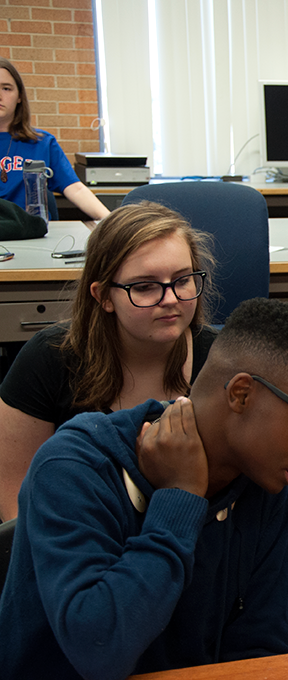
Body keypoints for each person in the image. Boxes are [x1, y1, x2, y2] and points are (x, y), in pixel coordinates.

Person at [0, 297, 288, 678]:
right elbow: (100, 652)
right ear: (241, 394)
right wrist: (181, 498)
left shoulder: (264, 485)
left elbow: (256, 651)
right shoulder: (75, 466)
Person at [0, 201, 218, 521]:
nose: (171, 299)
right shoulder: (48, 360)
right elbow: (16, 498)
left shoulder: (218, 361)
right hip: (71, 548)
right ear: (103, 296)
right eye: (145, 287)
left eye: (183, 280)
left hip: (182, 545)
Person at [0, 58, 110, 221]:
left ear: (19, 97)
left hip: (32, 234)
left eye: (6, 88)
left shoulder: (42, 143)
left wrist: (112, 221)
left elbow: (75, 189)